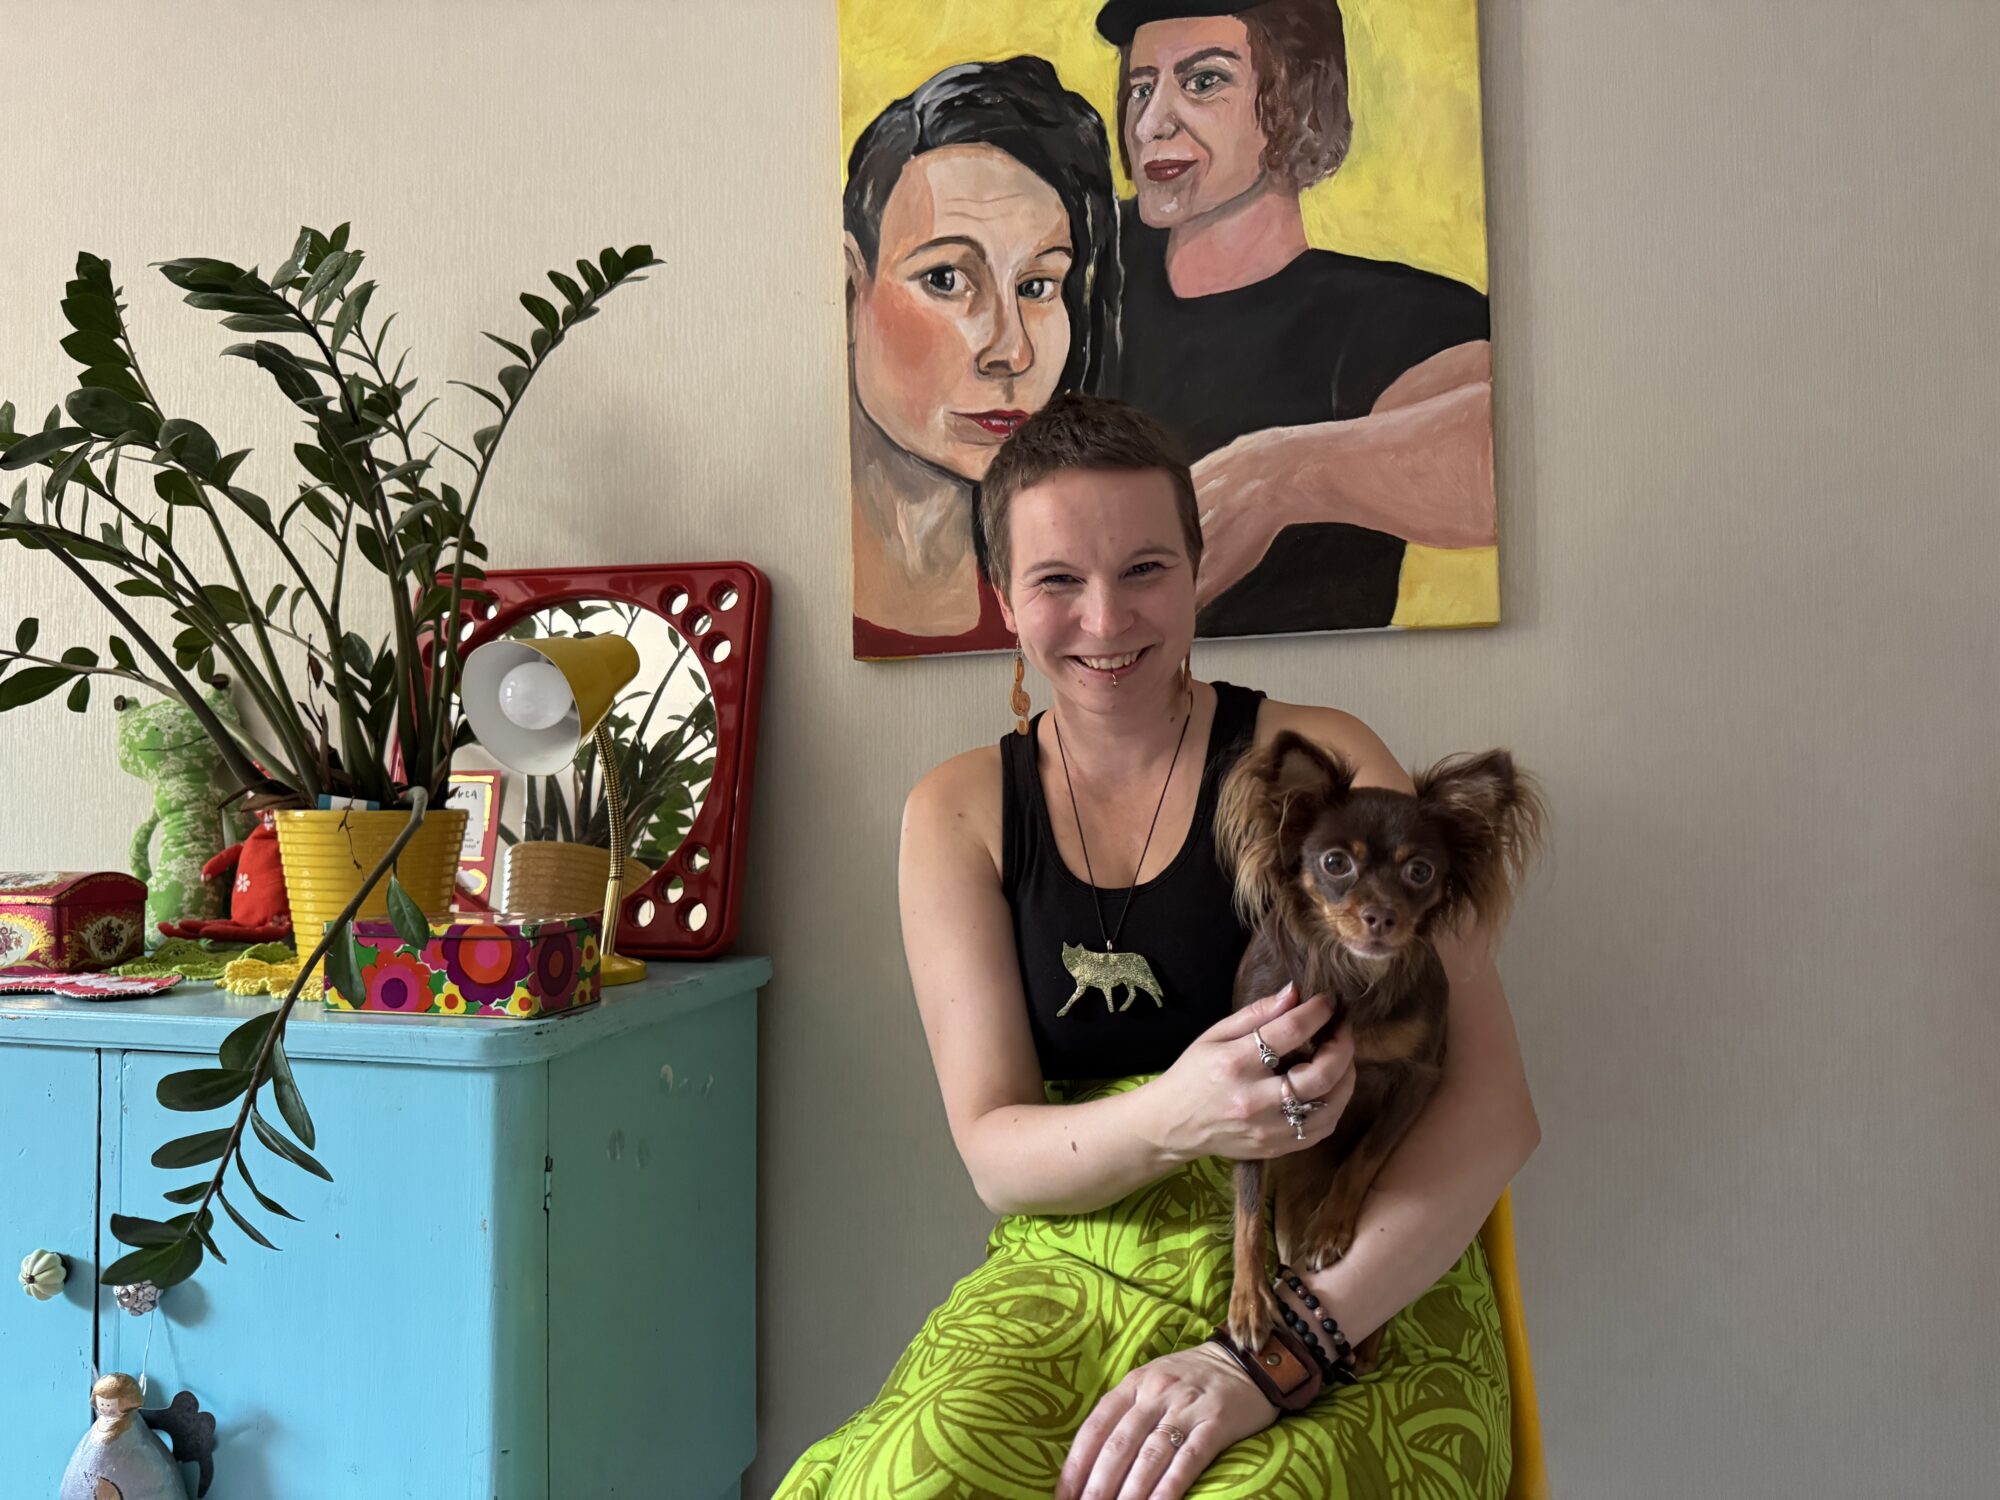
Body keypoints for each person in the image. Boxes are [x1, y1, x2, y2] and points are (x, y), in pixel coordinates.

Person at [775, 394, 1539, 1499]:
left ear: (1196, 570)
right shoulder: (957, 812)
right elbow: (996, 1155)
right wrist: (1184, 1112)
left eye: (1144, 569)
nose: (1105, 619)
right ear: (1004, 597)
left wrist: (1279, 1351)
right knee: (908, 1480)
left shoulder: (1320, 762)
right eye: (1056, 580)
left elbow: (1492, 1108)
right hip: (1076, 1260)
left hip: (1341, 1262)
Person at [1096, 0, 1497, 637]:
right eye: (1141, 88)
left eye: (1203, 81)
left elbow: (1504, 456)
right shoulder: (1077, 268)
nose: (1150, 123)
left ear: (1295, 99)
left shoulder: (1384, 317)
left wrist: (1276, 476)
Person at [846, 56, 1122, 657]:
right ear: (849, 291)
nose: (1012, 351)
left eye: (1037, 286)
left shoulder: (1085, 616)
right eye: (946, 278)